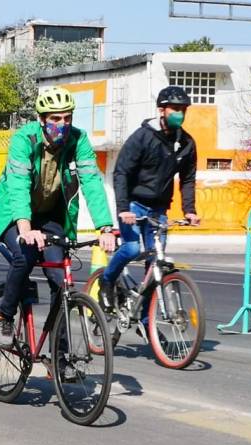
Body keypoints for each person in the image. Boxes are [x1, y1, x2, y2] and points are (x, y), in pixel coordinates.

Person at [0, 87, 116, 348]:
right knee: (24, 257)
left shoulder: (78, 139)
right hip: (12, 213)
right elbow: (19, 184)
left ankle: (60, 353)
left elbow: (91, 181)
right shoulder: (24, 139)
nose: (62, 124)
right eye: (55, 119)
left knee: (61, 281)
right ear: (42, 119)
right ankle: (5, 315)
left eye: (67, 118)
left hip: (49, 216)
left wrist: (106, 227)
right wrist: (25, 228)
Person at [98, 86, 200, 321]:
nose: (180, 114)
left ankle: (146, 322)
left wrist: (190, 210)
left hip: (159, 210)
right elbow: (121, 173)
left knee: (155, 263)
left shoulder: (186, 143)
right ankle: (107, 281)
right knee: (132, 248)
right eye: (176, 109)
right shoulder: (142, 137)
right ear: (161, 110)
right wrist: (123, 208)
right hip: (133, 206)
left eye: (184, 110)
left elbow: (188, 178)